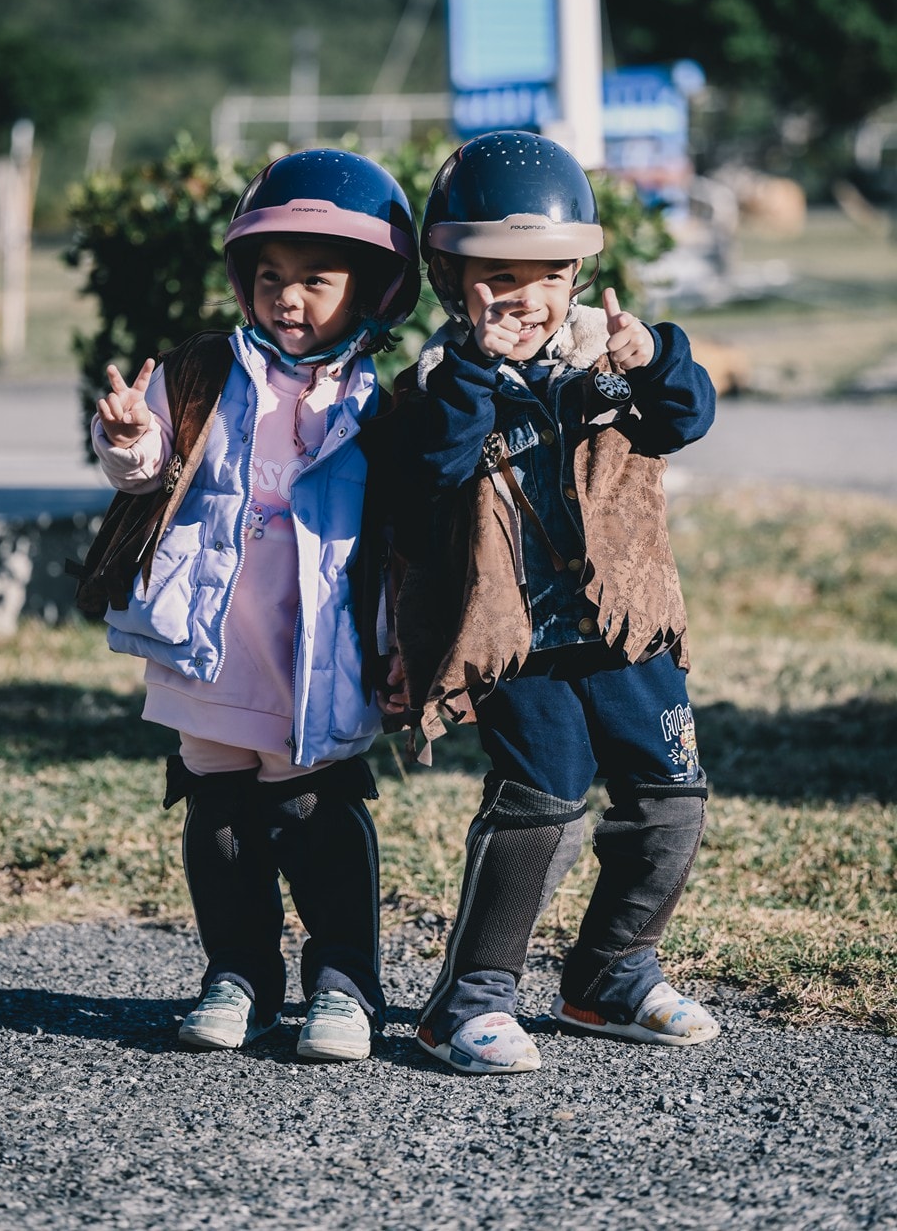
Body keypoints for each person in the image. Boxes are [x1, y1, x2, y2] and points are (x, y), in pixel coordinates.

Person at [382, 130, 719, 1075]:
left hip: (624, 629)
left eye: (542, 275)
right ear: (451, 279)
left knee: (671, 800)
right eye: (493, 275)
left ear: (576, 275)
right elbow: (430, 474)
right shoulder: (438, 387)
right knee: (544, 806)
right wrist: (477, 380)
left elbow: (685, 415)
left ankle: (610, 972)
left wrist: (651, 354)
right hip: (518, 639)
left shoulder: (606, 365)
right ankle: (471, 1001)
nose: (518, 298)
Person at [89, 148, 419, 1063]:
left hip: (316, 655)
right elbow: (148, 464)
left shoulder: (376, 407)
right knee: (221, 815)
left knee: (315, 810)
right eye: (269, 276)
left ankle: (346, 982)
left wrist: (400, 648)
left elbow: (394, 546)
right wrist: (127, 438)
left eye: (317, 279)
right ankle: (237, 974)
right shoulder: (203, 373)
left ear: (374, 291)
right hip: (210, 648)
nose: (289, 297)